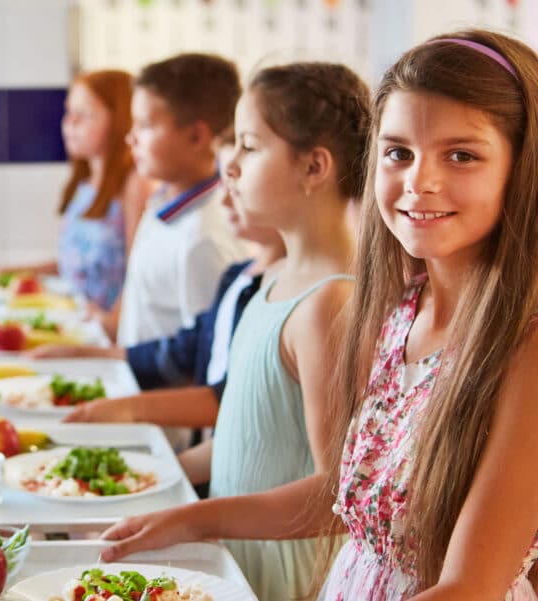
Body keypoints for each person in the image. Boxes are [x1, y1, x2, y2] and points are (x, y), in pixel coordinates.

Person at [102, 30, 538, 601]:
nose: (418, 182)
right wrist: (191, 517)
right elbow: (345, 499)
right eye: (398, 152)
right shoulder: (400, 310)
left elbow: (469, 588)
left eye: (462, 155)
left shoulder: (522, 348)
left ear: (521, 169)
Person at [99, 61, 372, 601]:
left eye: (249, 146)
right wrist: (154, 483)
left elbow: (336, 494)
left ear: (314, 167)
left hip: (285, 578)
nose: (230, 169)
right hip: (237, 560)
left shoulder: (329, 302)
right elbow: (248, 442)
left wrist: (194, 518)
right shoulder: (272, 279)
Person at [31, 132, 286, 455]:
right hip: (202, 454)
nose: (223, 200)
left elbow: (225, 400)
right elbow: (185, 351)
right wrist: (89, 354)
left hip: (191, 445)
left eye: (250, 147)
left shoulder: (207, 243)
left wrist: (130, 408)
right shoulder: (239, 277)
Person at [0, 70, 149, 318]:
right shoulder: (84, 184)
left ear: (120, 119)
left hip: (105, 334)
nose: (70, 123)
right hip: (74, 319)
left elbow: (138, 273)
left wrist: (110, 327)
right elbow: (75, 268)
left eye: (85, 115)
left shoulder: (134, 185)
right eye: (69, 112)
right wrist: (6, 273)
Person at [112, 53, 247, 346]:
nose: (131, 138)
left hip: (157, 391)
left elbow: (201, 360)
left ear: (197, 137)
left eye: (145, 125)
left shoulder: (203, 239)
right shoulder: (162, 203)